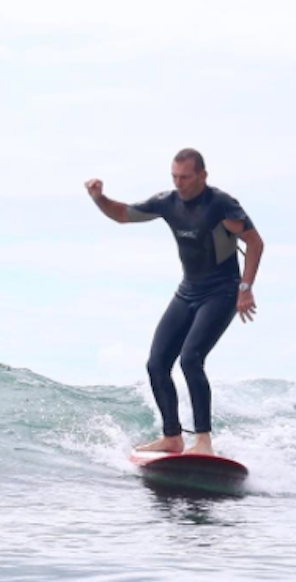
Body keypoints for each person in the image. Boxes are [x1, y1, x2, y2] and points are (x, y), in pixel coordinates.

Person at [84, 148, 264, 455]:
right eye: (175, 177)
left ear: (202, 176)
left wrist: (245, 288)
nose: (180, 183)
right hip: (188, 291)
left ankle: (203, 442)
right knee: (156, 364)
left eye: (186, 177)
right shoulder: (167, 203)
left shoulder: (220, 204)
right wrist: (99, 198)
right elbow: (123, 215)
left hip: (221, 291)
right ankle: (172, 437)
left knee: (191, 359)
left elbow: (255, 242)